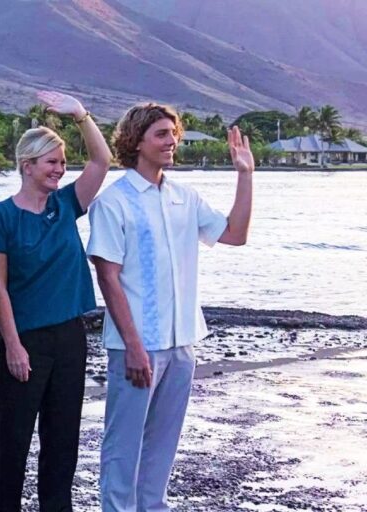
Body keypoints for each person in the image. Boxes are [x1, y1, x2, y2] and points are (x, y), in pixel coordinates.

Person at [87, 104, 254, 511]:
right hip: (137, 344)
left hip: (183, 344)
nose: (172, 141)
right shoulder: (114, 202)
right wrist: (134, 346)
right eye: (162, 134)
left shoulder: (185, 196)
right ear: (136, 141)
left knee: (163, 444)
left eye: (173, 133)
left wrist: (245, 175)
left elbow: (235, 234)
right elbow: (108, 277)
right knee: (123, 445)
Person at [0, 91, 112, 511]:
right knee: (14, 442)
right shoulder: (1, 216)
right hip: (25, 341)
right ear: (28, 165)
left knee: (62, 439)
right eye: (51, 161)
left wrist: (80, 115)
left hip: (70, 337)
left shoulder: (65, 205)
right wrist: (13, 345)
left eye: (61, 160)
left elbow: (101, 162)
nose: (60, 168)